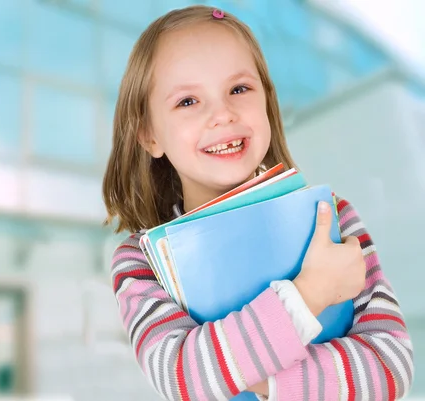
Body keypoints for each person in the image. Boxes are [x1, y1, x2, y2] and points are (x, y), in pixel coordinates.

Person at [101, 5, 414, 401]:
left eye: (239, 89)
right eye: (187, 101)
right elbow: (184, 379)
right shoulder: (138, 263)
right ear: (149, 135)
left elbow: (391, 367)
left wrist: (247, 375)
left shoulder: (333, 218)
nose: (222, 114)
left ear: (267, 101)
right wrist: (311, 293)